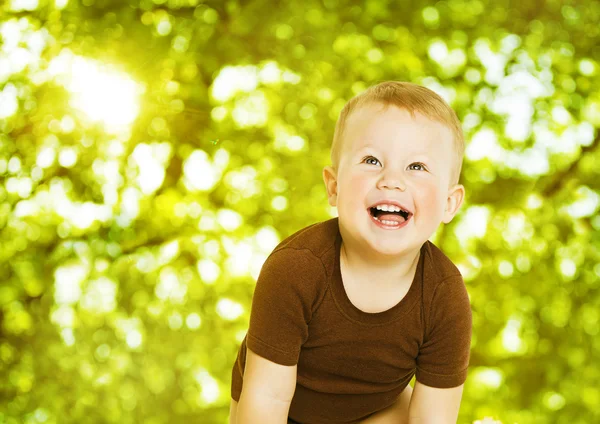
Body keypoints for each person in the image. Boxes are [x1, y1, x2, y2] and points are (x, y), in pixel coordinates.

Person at [229, 81, 472, 424]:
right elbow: (266, 398)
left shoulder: (444, 297)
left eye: (416, 167)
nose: (392, 180)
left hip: (375, 410)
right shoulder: (295, 269)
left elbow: (435, 417)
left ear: (449, 204)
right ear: (334, 186)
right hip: (281, 404)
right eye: (372, 160)